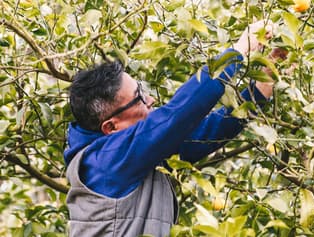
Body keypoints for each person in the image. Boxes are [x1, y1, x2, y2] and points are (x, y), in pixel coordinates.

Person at [64, 21, 276, 237]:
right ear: (111, 127)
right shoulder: (104, 163)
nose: (150, 99)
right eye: (139, 98)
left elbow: (205, 134)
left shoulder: (137, 156)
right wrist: (236, 53)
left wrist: (266, 79)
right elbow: (176, 117)